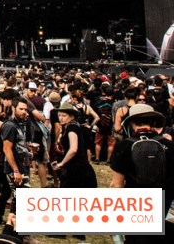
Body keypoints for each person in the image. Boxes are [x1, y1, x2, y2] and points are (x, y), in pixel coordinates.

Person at [110, 103, 174, 243]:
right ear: (154, 122)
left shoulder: (124, 145)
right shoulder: (169, 145)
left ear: (132, 122)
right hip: (162, 205)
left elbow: (117, 185)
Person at [52, 103, 97, 189]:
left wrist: (62, 163)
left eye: (64, 116)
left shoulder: (72, 128)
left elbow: (73, 149)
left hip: (78, 171)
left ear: (71, 116)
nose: (61, 118)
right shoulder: (69, 126)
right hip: (75, 168)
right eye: (59, 115)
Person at [0, 97, 32, 215]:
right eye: (21, 109)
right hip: (15, 168)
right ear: (13, 108)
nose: (24, 112)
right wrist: (16, 170)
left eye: (25, 109)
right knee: (22, 198)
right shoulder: (10, 126)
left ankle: (11, 223)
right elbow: (6, 149)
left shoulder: (20, 124)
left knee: (18, 198)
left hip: (22, 165)